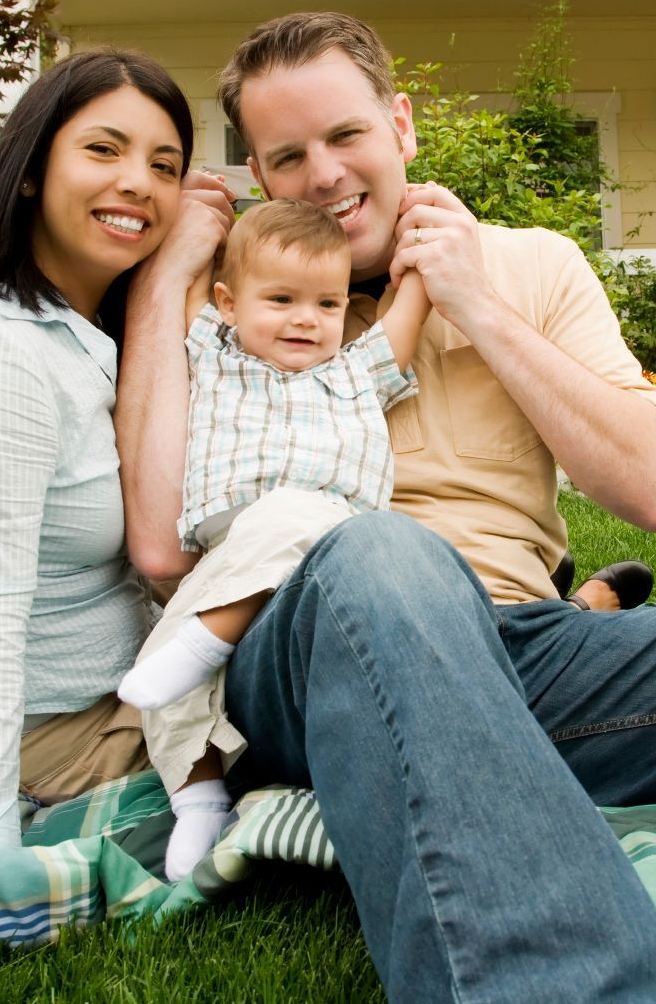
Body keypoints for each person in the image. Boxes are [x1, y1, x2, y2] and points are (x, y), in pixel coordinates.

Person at [116, 11, 656, 1002]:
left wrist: (475, 302)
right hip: (304, 652)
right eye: (288, 156)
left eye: (346, 134)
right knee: (380, 549)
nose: (324, 173)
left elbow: (655, 493)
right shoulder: (233, 301)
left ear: (400, 125)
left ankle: (486, 780)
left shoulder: (533, 264)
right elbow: (156, 546)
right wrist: (168, 278)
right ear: (259, 174)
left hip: (532, 651)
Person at [0, 49, 233, 853]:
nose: (138, 183)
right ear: (32, 171)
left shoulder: (83, 334)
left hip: (132, 683)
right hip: (59, 732)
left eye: (164, 165)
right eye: (103, 149)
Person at [118, 197, 430, 878]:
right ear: (229, 304)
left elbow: (409, 309)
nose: (306, 318)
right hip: (234, 552)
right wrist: (199, 214)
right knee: (161, 664)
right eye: (282, 299)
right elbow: (190, 282)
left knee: (292, 513)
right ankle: (199, 799)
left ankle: (207, 641)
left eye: (327, 303)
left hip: (327, 548)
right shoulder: (214, 352)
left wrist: (420, 243)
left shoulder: (354, 371)